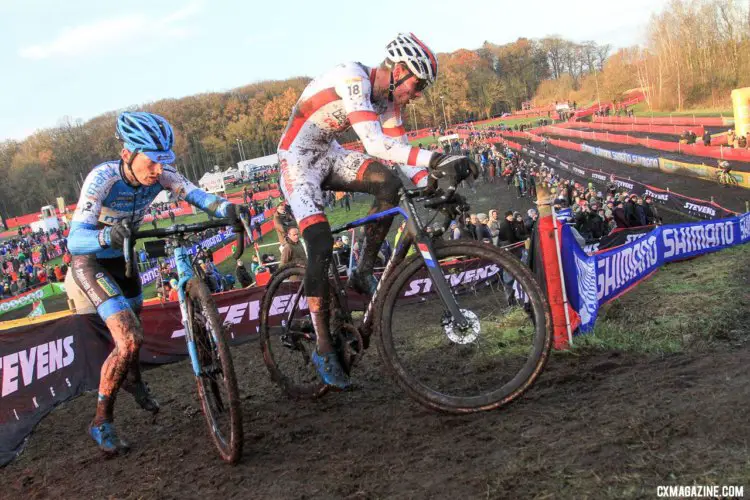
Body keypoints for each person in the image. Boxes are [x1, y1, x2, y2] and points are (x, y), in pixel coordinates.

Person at [276, 33, 477, 389]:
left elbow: (397, 152)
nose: (417, 96)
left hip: (330, 153)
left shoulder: (388, 101)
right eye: (417, 86)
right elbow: (374, 143)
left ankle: (363, 269)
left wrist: (434, 176)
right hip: (297, 160)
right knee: (320, 244)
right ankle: (323, 345)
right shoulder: (353, 78)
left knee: (389, 184)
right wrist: (436, 158)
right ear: (399, 70)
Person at [65, 111, 249, 455]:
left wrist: (228, 209)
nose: (157, 172)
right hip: (92, 259)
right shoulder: (101, 178)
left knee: (135, 340)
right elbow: (74, 241)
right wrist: (105, 235)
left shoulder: (160, 172)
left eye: (164, 164)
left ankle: (133, 378)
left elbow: (196, 195)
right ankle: (101, 419)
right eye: (151, 163)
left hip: (123, 257)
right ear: (127, 154)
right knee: (129, 337)